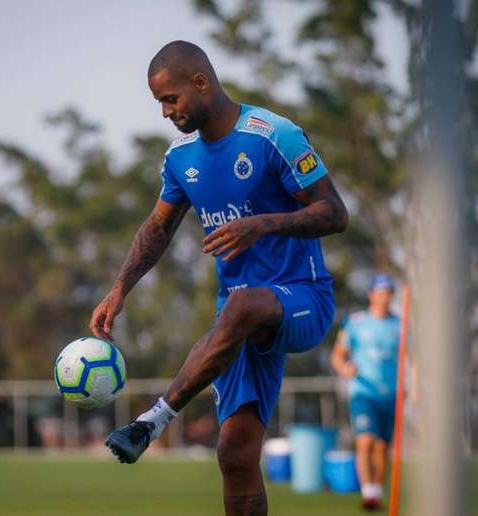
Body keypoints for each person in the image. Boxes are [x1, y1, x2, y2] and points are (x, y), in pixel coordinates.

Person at [89, 40, 347, 516]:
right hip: (235, 322)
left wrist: (263, 223)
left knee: (244, 304)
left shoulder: (275, 136)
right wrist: (118, 289)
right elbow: (157, 229)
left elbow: (335, 213)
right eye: (159, 103)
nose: (166, 112)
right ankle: (159, 421)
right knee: (235, 452)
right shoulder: (180, 157)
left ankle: (153, 419)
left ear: (201, 83)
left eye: (171, 99)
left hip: (301, 298)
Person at [330, 273, 402, 512]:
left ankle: (377, 492)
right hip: (363, 392)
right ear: (372, 294)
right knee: (365, 440)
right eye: (380, 292)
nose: (384, 297)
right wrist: (345, 368)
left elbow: (410, 361)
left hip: (390, 394)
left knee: (382, 447)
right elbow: (338, 355)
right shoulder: (357, 323)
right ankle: (368, 492)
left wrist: (413, 386)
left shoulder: (399, 326)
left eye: (388, 292)